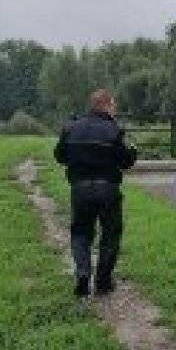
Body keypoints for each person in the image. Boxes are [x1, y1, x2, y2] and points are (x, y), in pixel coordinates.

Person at [54, 89, 137, 297]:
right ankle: (103, 282)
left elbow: (60, 156)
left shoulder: (71, 127)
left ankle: (83, 273)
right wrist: (133, 151)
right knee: (110, 234)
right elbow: (125, 162)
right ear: (107, 105)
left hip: (80, 189)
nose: (116, 110)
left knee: (81, 233)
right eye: (114, 105)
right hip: (108, 188)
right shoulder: (114, 130)